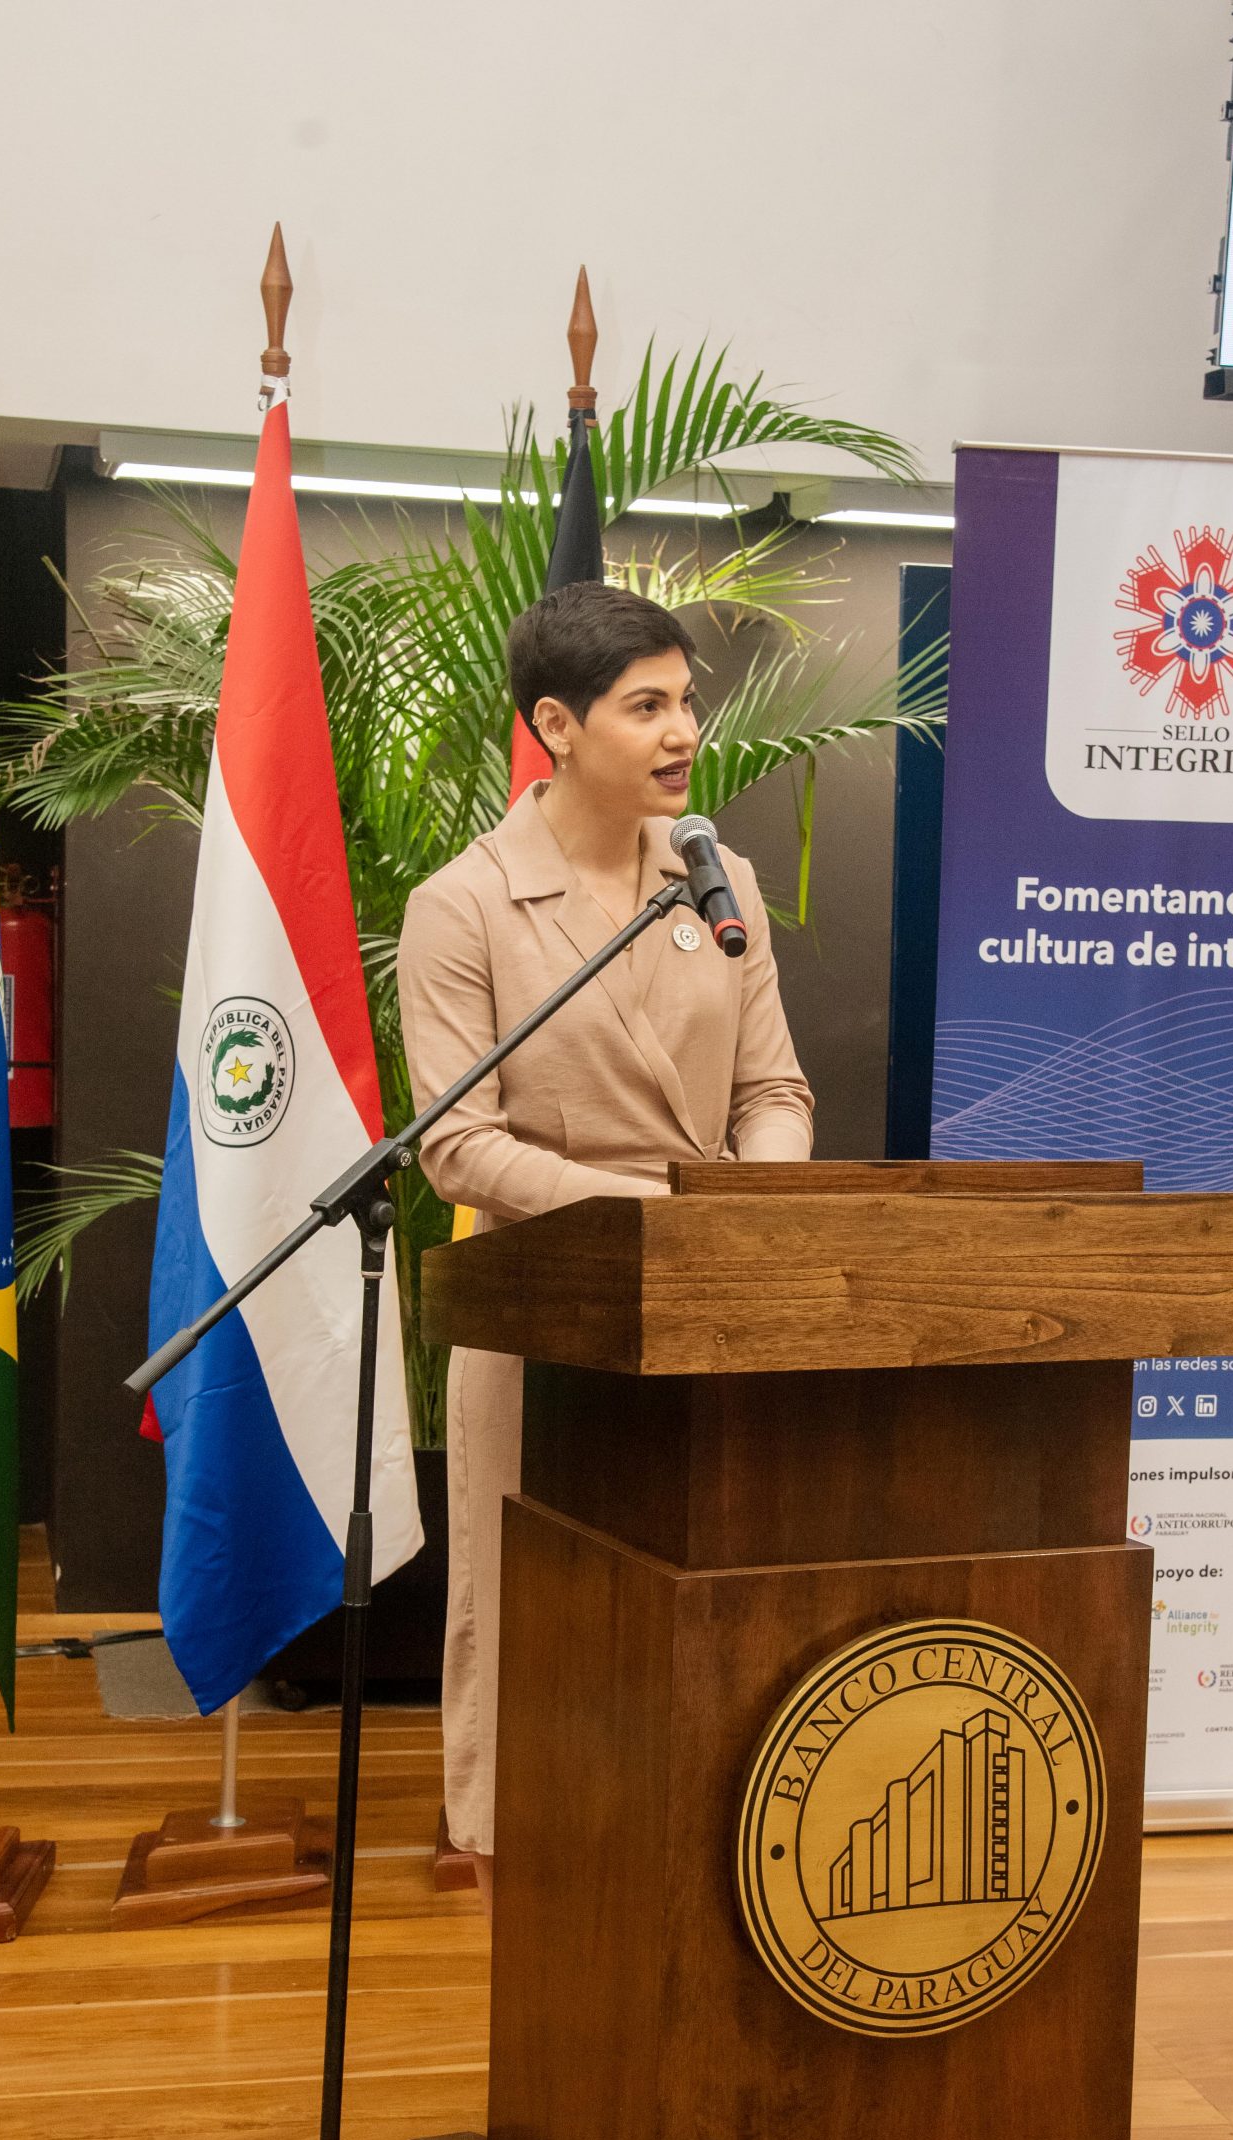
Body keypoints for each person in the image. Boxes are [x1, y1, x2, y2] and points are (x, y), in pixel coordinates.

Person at [397, 583, 814, 1907]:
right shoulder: (462, 906)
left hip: (710, 1299)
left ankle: (693, 1869)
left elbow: (773, 1091)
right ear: (557, 726)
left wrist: (749, 1212)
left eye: (687, 701)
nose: (684, 730)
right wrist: (645, 1216)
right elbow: (458, 1145)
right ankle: (513, 1873)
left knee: (698, 1604)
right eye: (647, 706)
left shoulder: (718, 879)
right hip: (547, 1306)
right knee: (532, 1618)